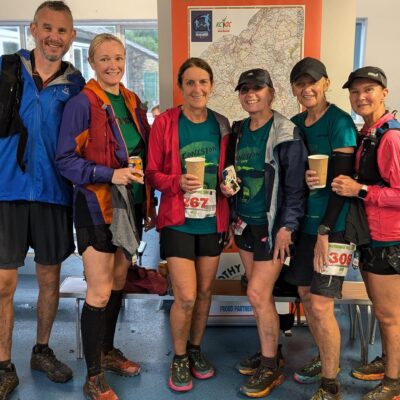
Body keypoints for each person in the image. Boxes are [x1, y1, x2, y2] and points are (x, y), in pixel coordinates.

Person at [56, 33, 155, 400]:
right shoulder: (83, 103)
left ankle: (107, 351)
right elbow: (66, 159)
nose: (113, 65)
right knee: (98, 291)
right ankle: (93, 375)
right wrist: (108, 174)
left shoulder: (131, 100)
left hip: (130, 206)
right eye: (105, 59)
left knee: (117, 282)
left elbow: (142, 154)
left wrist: (148, 204)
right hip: (96, 206)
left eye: (118, 58)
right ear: (92, 63)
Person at [0, 2, 84, 398]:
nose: (54, 36)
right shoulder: (6, 69)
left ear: (71, 36)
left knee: (50, 278)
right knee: (5, 283)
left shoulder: (76, 84)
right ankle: (4, 365)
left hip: (54, 192)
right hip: (7, 190)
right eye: (47, 28)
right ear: (33, 29)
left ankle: (42, 350)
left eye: (62, 30)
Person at [146, 57, 231, 392]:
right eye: (190, 82)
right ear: (181, 87)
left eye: (203, 82)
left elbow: (228, 169)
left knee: (205, 292)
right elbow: (152, 173)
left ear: (211, 86)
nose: (197, 88)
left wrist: (228, 185)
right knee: (185, 296)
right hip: (178, 221)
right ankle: (179, 357)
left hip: (212, 220)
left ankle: (195, 350)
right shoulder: (165, 123)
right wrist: (176, 182)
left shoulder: (222, 124)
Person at [223, 68, 308, 398]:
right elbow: (233, 172)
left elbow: (296, 188)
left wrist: (287, 227)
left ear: (271, 93)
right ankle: (268, 351)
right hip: (244, 223)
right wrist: (228, 192)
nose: (250, 94)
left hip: (272, 229)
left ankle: (271, 367)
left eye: (257, 88)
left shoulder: (286, 132)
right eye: (244, 89)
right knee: (258, 294)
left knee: (258, 295)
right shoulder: (239, 130)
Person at [284, 57, 357, 400]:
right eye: (300, 83)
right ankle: (324, 357)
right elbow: (292, 175)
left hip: (334, 227)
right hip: (305, 225)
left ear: (326, 83)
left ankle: (330, 383)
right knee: (303, 294)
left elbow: (343, 185)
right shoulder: (296, 124)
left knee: (320, 304)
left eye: (312, 82)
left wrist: (326, 231)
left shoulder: (340, 122)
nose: (306, 88)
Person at [332, 66, 400, 400]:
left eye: (369, 90)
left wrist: (359, 190)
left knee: (389, 315)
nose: (361, 97)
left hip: (389, 240)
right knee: (381, 309)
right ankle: (388, 361)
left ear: (384, 93)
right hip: (371, 237)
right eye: (355, 91)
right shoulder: (368, 133)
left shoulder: (391, 137)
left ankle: (394, 382)